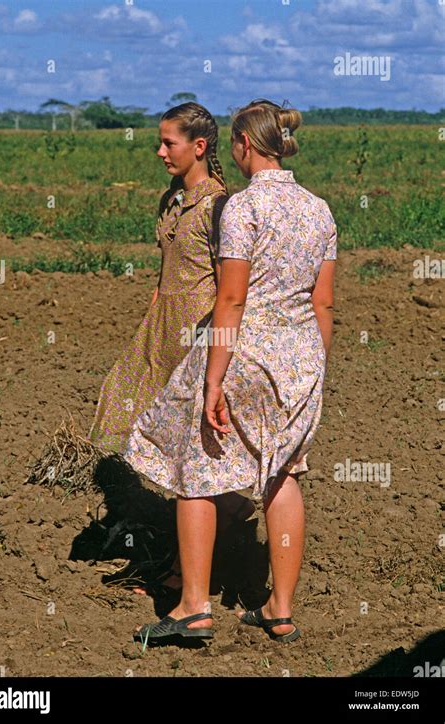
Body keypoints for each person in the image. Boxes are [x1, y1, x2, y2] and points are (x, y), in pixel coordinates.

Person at [123, 99, 337, 644]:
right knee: (283, 475)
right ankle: (279, 608)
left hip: (245, 355)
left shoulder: (242, 210)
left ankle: (193, 607)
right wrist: (315, 369)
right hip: (302, 360)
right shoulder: (321, 211)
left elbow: (232, 300)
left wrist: (213, 378)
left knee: (196, 468)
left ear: (243, 145)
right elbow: (325, 305)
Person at [88, 102, 255, 592]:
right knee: (144, 425)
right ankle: (216, 523)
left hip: (200, 337)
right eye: (159, 142)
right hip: (162, 332)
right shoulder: (171, 200)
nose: (160, 152)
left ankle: (186, 573)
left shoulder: (222, 206)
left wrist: (217, 353)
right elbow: (166, 276)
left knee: (189, 450)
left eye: (169, 143)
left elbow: (230, 289)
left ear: (199, 147)